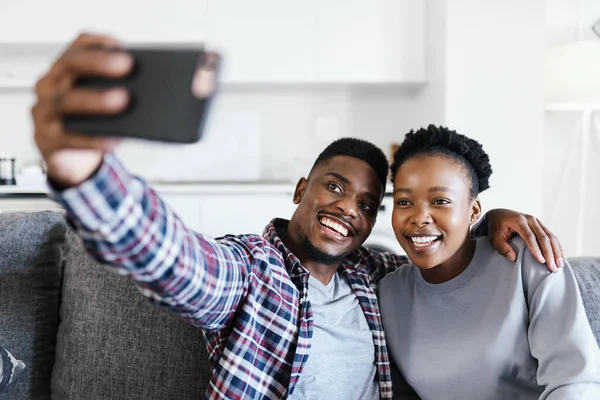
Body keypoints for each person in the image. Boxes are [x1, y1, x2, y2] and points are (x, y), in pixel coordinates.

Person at [31, 34, 565, 400]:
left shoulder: (376, 277)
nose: (346, 209)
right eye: (334, 187)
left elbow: (440, 248)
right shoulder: (251, 270)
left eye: (365, 203)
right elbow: (178, 262)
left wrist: (489, 218)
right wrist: (86, 173)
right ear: (300, 190)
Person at [379, 125, 600, 400]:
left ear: (473, 211)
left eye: (440, 200)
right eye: (403, 201)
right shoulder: (388, 294)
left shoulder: (527, 262)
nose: (419, 217)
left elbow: (575, 382)